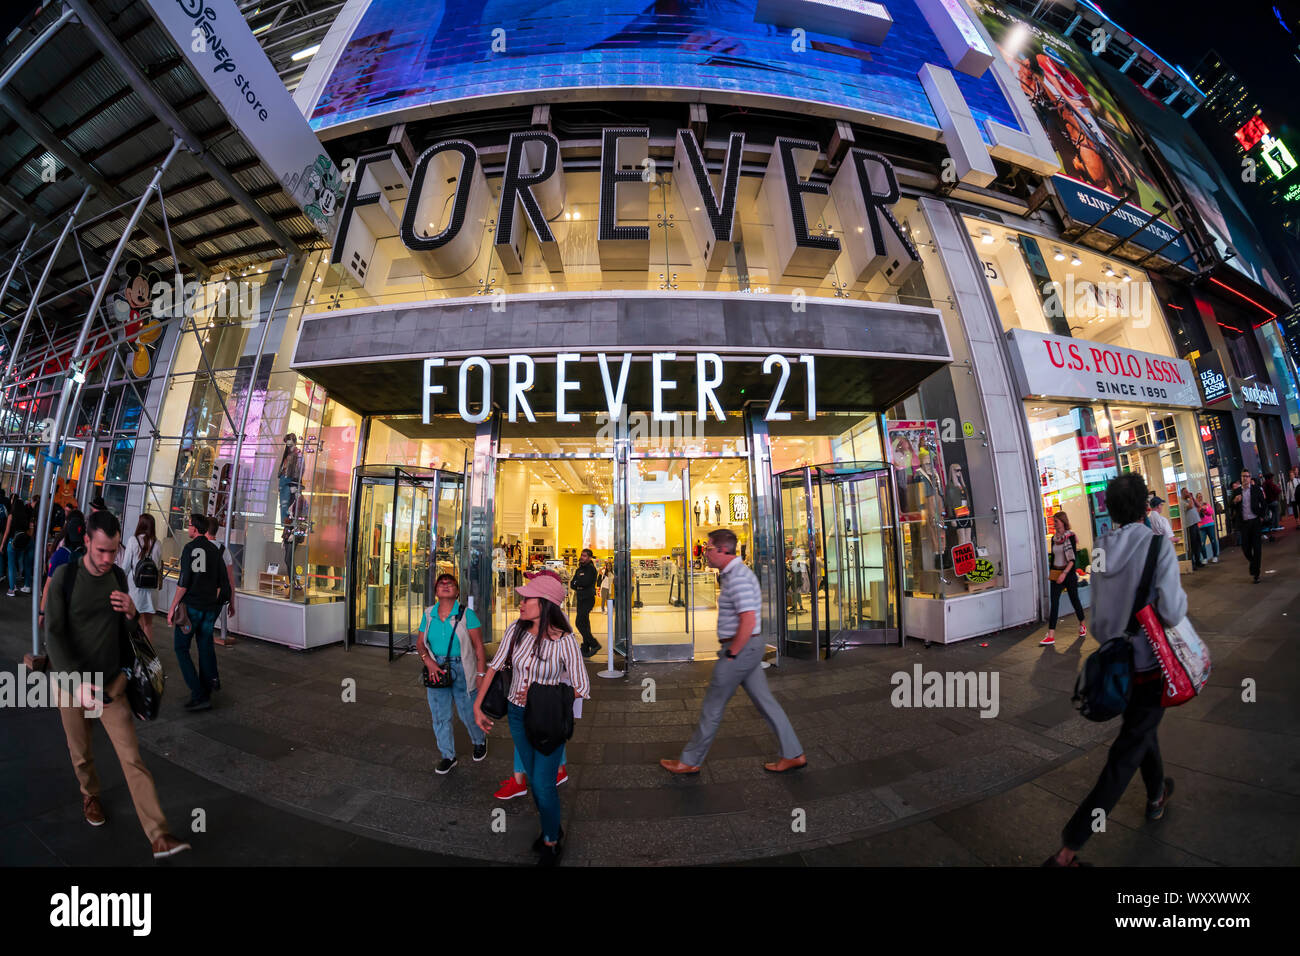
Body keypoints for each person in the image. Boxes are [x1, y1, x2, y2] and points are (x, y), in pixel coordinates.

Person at [1045, 474, 1183, 866]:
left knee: (1140, 731)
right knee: (1125, 753)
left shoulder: (1102, 548)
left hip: (1119, 671)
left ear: (1108, 510)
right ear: (1145, 506)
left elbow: (1102, 624)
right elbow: (1173, 611)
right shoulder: (1158, 546)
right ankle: (1068, 849)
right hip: (1152, 666)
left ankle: (1157, 791)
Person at [44, 509, 191, 860]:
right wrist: (74, 682)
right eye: (101, 551)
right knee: (81, 755)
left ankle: (158, 834)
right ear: (86, 542)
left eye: (113, 551)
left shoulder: (118, 578)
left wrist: (129, 615)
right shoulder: (64, 578)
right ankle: (90, 794)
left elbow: (130, 637)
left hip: (112, 687)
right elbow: (53, 636)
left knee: (133, 760)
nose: (108, 559)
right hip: (72, 685)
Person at [661, 528, 806, 776]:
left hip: (741, 647)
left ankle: (690, 760)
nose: (704, 553)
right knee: (766, 702)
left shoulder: (738, 576)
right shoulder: (732, 574)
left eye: (708, 548)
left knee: (712, 705)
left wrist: (731, 654)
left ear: (723, 550)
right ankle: (793, 754)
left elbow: (748, 620)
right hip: (747, 647)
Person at [474, 569, 590, 865]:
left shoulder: (564, 641)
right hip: (515, 715)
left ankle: (551, 840)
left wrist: (545, 697)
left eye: (528, 598)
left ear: (546, 603)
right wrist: (477, 706)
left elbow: (581, 686)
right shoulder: (515, 629)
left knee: (541, 784)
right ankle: (552, 826)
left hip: (548, 720)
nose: (521, 601)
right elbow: (495, 666)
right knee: (535, 780)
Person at [417, 573, 488, 773]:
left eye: (451, 583)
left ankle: (479, 741)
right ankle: (448, 756)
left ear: (457, 591)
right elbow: (420, 643)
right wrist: (428, 662)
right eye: (441, 583)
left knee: (468, 712)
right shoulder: (428, 613)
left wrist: (481, 675)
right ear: (436, 591)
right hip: (436, 668)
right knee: (440, 715)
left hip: (463, 667)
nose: (445, 585)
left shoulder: (467, 615)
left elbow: (479, 647)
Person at [167, 513, 231, 710]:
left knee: (181, 648)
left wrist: (172, 607)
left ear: (195, 529)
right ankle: (209, 683)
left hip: (191, 608)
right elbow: (224, 582)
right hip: (209, 608)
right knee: (205, 646)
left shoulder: (189, 548)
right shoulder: (215, 551)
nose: (188, 528)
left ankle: (198, 692)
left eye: (189, 525)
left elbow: (184, 582)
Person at [1041, 511, 1085, 646]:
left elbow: (1072, 559)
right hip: (1057, 573)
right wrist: (1053, 571)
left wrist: (1064, 574)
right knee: (1054, 602)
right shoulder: (1054, 538)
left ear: (1063, 522)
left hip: (1068, 574)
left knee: (1074, 600)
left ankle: (1082, 624)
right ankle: (1051, 634)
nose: (1054, 524)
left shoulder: (1070, 536)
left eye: (1056, 521)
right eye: (1054, 521)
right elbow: (1054, 557)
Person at [118, 513, 163, 645]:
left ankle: (135, 657)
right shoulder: (158, 543)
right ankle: (148, 659)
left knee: (135, 624)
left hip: (135, 589)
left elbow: (125, 566)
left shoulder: (133, 540)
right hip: (151, 590)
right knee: (148, 625)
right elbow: (158, 566)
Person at [38, 509, 86, 632]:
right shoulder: (89, 555)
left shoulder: (60, 554)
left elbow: (48, 586)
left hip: (60, 606)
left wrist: (42, 612)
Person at [205, 516, 238, 643]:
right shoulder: (224, 550)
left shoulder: (198, 548)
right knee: (208, 627)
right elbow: (231, 580)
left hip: (201, 594)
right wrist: (232, 602)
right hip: (218, 595)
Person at [1232, 471, 1267, 583]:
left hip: (1255, 521)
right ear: (1241, 478)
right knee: (1245, 548)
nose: (1245, 478)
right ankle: (1253, 563)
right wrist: (1234, 501)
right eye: (1243, 476)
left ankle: (1256, 573)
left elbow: (1264, 503)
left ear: (1250, 478)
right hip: (1244, 523)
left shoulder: (1256, 489)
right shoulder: (1237, 491)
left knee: (1257, 548)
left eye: (1247, 476)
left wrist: (1261, 516)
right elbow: (1230, 506)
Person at [570, 548, 600, 657]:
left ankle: (594, 644)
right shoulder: (579, 569)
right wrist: (578, 583)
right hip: (581, 599)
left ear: (589, 558)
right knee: (585, 624)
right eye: (581, 555)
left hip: (588, 599)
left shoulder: (591, 569)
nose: (582, 557)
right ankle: (585, 647)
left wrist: (578, 583)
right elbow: (572, 584)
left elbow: (586, 582)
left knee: (579, 622)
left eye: (585, 556)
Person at [2, 492, 34, 596]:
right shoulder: (26, 516)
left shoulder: (11, 515)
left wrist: (2, 544)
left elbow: (7, 531)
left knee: (11, 566)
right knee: (21, 563)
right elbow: (30, 532)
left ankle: (12, 589)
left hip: (13, 542)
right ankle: (24, 584)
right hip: (23, 542)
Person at [278, 433, 302, 526]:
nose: (289, 447)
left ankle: (287, 526)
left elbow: (299, 470)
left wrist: (294, 484)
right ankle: (285, 526)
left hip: (290, 480)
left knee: (288, 506)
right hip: (284, 479)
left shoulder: (298, 454)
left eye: (290, 445)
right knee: (283, 506)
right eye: (287, 445)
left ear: (295, 443)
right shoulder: (287, 453)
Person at [1179, 489, 1202, 570]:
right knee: (1192, 545)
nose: (1188, 493)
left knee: (1198, 543)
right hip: (1189, 525)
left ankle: (1198, 561)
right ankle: (1192, 563)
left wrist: (1192, 497)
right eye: (1186, 492)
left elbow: (1198, 505)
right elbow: (1191, 506)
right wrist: (1190, 498)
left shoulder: (1189, 500)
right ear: (1182, 493)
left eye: (1188, 492)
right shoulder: (1182, 502)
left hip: (1195, 524)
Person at [1195, 493, 1219, 564]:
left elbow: (1211, 512)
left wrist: (1205, 509)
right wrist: (1199, 510)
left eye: (1201, 496)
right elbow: (1196, 516)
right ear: (1196, 499)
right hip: (1202, 527)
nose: (1200, 498)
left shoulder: (1206, 504)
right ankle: (1205, 558)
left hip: (1210, 525)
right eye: (1199, 497)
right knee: (1202, 543)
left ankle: (1215, 556)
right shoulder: (1196, 507)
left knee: (1213, 540)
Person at [1262, 472, 1282, 539]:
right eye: (1272, 477)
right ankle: (1276, 526)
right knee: (1276, 513)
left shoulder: (1263, 484)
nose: (1273, 478)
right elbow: (1277, 491)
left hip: (1267, 502)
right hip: (1273, 501)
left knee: (1272, 514)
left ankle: (1272, 526)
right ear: (1270, 477)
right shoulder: (1271, 483)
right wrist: (1278, 487)